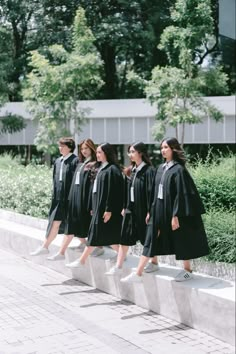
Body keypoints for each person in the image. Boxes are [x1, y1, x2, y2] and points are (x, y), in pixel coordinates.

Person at [121, 137, 209, 283]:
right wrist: (150, 210)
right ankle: (140, 272)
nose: (163, 150)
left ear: (173, 149)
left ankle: (187, 270)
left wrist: (176, 215)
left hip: (173, 211)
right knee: (151, 237)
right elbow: (155, 192)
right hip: (158, 209)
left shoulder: (179, 170)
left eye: (166, 147)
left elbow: (182, 194)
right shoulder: (161, 168)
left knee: (181, 237)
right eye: (161, 148)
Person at [66, 143, 124, 268]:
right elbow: (95, 189)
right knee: (107, 235)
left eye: (100, 152)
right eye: (97, 152)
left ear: (107, 153)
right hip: (98, 206)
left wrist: (109, 209)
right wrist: (92, 206)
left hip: (106, 209)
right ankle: (121, 254)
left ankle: (82, 260)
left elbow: (113, 192)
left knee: (94, 234)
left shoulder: (112, 170)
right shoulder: (100, 168)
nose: (97, 155)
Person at [105, 142, 156, 276]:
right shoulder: (132, 170)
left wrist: (150, 211)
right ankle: (118, 266)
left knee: (147, 238)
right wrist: (125, 206)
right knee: (124, 237)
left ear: (141, 153)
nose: (130, 155)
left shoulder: (149, 171)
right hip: (130, 209)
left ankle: (154, 262)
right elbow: (128, 191)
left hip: (143, 209)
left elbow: (152, 193)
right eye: (129, 152)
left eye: (133, 152)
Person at [46, 139, 101, 261]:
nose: (84, 151)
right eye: (82, 149)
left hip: (86, 200)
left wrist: (92, 204)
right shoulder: (81, 163)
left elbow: (93, 186)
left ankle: (97, 247)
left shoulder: (94, 164)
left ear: (92, 148)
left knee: (80, 226)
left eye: (86, 148)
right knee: (74, 225)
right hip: (76, 199)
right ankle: (80, 246)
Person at [30, 137, 78, 256]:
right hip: (58, 199)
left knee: (72, 225)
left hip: (70, 199)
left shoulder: (75, 161)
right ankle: (45, 247)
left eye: (62, 146)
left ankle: (89, 244)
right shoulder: (57, 161)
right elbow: (54, 180)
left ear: (70, 147)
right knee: (55, 222)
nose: (60, 148)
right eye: (59, 146)